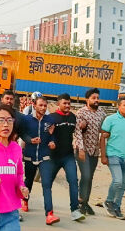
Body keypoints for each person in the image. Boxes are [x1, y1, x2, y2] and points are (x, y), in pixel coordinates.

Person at [20, 97, 58, 224]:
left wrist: (52, 141)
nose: (43, 108)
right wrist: (30, 140)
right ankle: (25, 200)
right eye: (40, 105)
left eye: (45, 105)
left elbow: (52, 135)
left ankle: (49, 214)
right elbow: (22, 134)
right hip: (30, 155)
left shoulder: (50, 120)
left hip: (45, 156)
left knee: (46, 184)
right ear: (34, 105)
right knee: (28, 181)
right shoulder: (26, 119)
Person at [50, 93, 85, 222]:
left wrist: (80, 148)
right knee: (47, 183)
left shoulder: (73, 118)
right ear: (58, 104)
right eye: (64, 103)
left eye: (69, 103)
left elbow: (78, 135)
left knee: (73, 181)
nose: (67, 105)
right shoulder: (52, 118)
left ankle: (75, 210)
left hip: (68, 156)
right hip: (53, 157)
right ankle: (47, 209)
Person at [74, 88, 106, 215]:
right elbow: (77, 132)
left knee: (90, 177)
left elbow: (104, 131)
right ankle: (81, 202)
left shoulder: (102, 114)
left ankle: (85, 203)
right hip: (82, 149)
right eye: (93, 98)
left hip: (94, 151)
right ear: (87, 100)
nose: (96, 100)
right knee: (86, 175)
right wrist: (81, 149)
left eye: (97, 98)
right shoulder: (81, 113)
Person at [100, 96, 125, 220]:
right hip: (113, 154)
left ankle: (117, 206)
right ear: (118, 106)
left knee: (123, 184)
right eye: (124, 105)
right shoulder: (111, 119)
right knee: (118, 181)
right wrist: (103, 156)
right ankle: (109, 201)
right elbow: (102, 137)